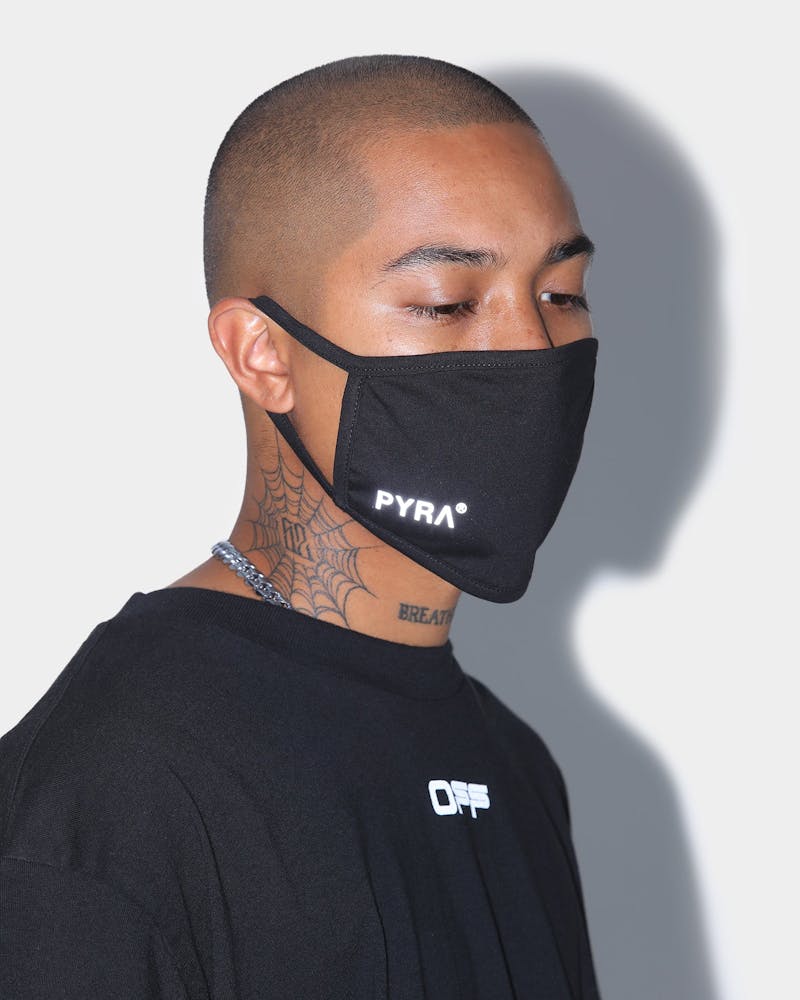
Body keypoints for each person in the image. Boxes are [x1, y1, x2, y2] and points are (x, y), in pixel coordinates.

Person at [0, 55, 602, 998]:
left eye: (560, 294)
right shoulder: (116, 788)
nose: (532, 348)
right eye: (447, 303)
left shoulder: (515, 763)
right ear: (263, 354)